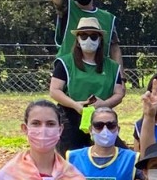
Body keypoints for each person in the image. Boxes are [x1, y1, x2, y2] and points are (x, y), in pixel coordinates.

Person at [49, 18, 125, 153]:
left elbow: (119, 93)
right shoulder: (65, 62)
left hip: (102, 118)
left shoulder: (112, 67)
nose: (88, 39)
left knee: (119, 153)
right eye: (83, 36)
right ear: (78, 39)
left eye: (93, 36)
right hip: (70, 116)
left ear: (100, 40)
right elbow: (55, 90)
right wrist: (75, 105)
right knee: (70, 156)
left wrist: (104, 104)